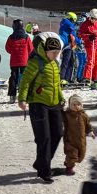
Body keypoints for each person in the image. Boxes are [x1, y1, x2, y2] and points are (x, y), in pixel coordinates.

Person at [18, 33, 65, 183]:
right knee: (44, 137)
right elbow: (25, 82)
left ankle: (41, 162)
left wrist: (61, 98)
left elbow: (56, 85)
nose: (56, 55)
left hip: (54, 103)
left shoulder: (55, 64)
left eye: (58, 53)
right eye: (53, 53)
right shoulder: (35, 62)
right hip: (38, 104)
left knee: (57, 133)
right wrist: (22, 99)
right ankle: (44, 171)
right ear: (45, 50)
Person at [62, 94, 95, 175]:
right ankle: (69, 168)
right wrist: (60, 108)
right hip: (70, 139)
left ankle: (69, 163)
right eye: (73, 104)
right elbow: (60, 116)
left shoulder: (84, 115)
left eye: (78, 104)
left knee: (81, 155)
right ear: (69, 105)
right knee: (72, 154)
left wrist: (90, 132)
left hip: (81, 140)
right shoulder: (66, 115)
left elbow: (88, 125)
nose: (76, 106)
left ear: (81, 105)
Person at [5, 19, 34, 104]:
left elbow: (7, 48)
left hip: (14, 61)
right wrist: (26, 54)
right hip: (24, 61)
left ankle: (12, 96)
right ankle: (24, 96)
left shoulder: (11, 37)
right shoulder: (26, 37)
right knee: (24, 77)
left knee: (13, 77)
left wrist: (13, 52)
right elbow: (31, 49)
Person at [79, 9, 97, 88]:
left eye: (95, 19)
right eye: (92, 18)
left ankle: (94, 78)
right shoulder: (85, 24)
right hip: (90, 45)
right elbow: (81, 34)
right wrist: (89, 36)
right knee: (91, 61)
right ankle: (86, 77)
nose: (93, 20)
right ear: (90, 17)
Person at [58, 12, 80, 84]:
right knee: (66, 61)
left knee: (71, 62)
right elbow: (73, 34)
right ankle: (62, 78)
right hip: (67, 44)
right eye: (74, 20)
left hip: (68, 45)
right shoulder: (68, 23)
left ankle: (67, 78)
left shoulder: (64, 23)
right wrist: (79, 41)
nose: (74, 22)